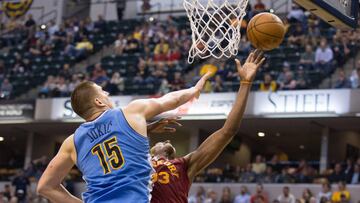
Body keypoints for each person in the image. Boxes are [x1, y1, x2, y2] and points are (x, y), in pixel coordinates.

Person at [36, 73, 212, 202]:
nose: (107, 95)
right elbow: (171, 99)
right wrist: (193, 90)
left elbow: (45, 186)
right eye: (103, 92)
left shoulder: (71, 143)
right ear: (98, 102)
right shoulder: (131, 112)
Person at [149, 50, 266, 203]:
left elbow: (228, 131)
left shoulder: (184, 165)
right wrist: (148, 128)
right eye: (162, 141)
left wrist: (245, 84)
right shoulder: (142, 160)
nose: (166, 141)